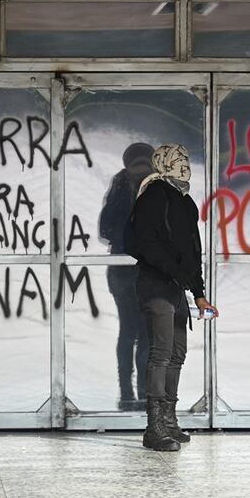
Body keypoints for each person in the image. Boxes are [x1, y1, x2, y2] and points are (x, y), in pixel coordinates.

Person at [130, 143, 219, 452]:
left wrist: (199, 293)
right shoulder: (153, 196)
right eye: (177, 160)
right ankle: (153, 427)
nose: (184, 164)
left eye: (186, 158)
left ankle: (168, 420)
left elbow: (192, 252)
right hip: (156, 285)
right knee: (161, 352)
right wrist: (174, 272)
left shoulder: (185, 201)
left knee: (177, 351)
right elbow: (143, 243)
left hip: (176, 288)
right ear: (163, 164)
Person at [98, 142, 154, 412]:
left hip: (125, 269)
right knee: (143, 333)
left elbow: (105, 228)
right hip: (141, 270)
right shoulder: (153, 184)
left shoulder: (121, 183)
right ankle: (140, 394)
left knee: (129, 332)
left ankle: (129, 394)